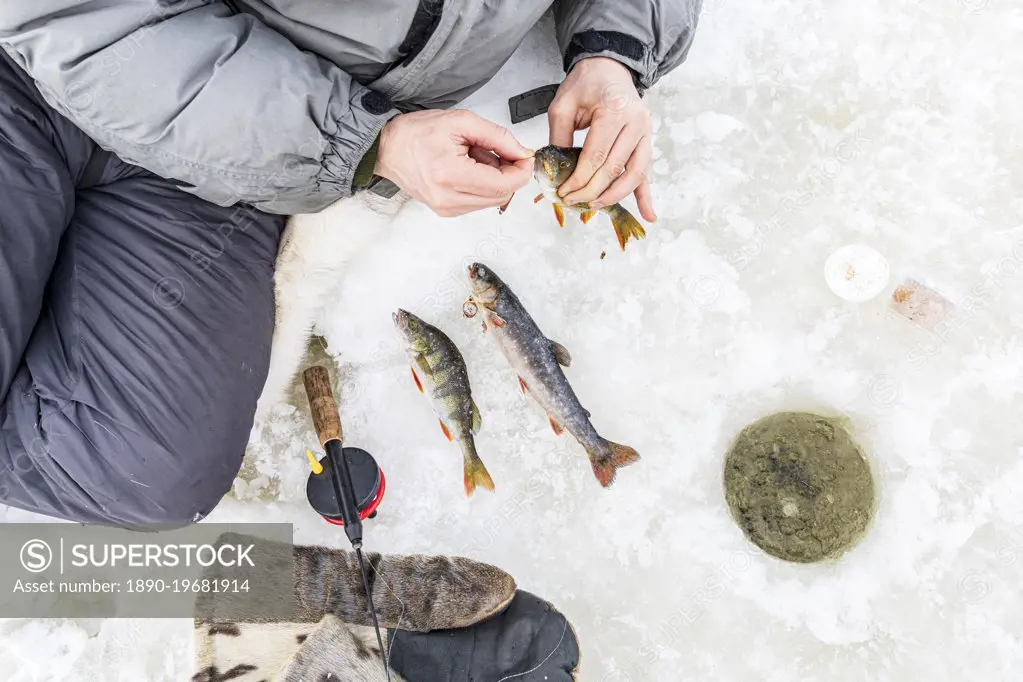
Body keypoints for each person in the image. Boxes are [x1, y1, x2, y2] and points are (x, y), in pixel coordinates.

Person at [0, 1, 698, 678]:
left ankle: (68, 573)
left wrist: (614, 50)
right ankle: (76, 590)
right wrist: (363, 142)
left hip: (235, 160)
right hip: (32, 83)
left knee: (152, 474)